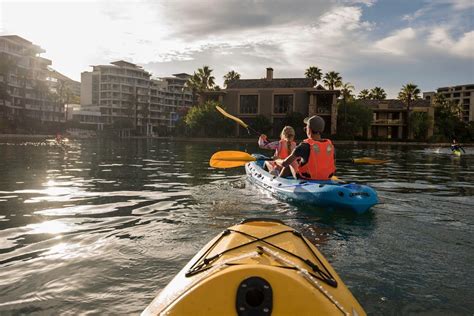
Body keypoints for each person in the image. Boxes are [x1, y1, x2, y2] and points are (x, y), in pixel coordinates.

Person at [275, 115, 336, 180]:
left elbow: (284, 163)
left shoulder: (304, 146)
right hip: (326, 178)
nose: (305, 129)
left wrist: (276, 160)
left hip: (306, 178)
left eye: (306, 127)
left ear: (309, 129)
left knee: (291, 162)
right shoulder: (330, 145)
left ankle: (278, 180)